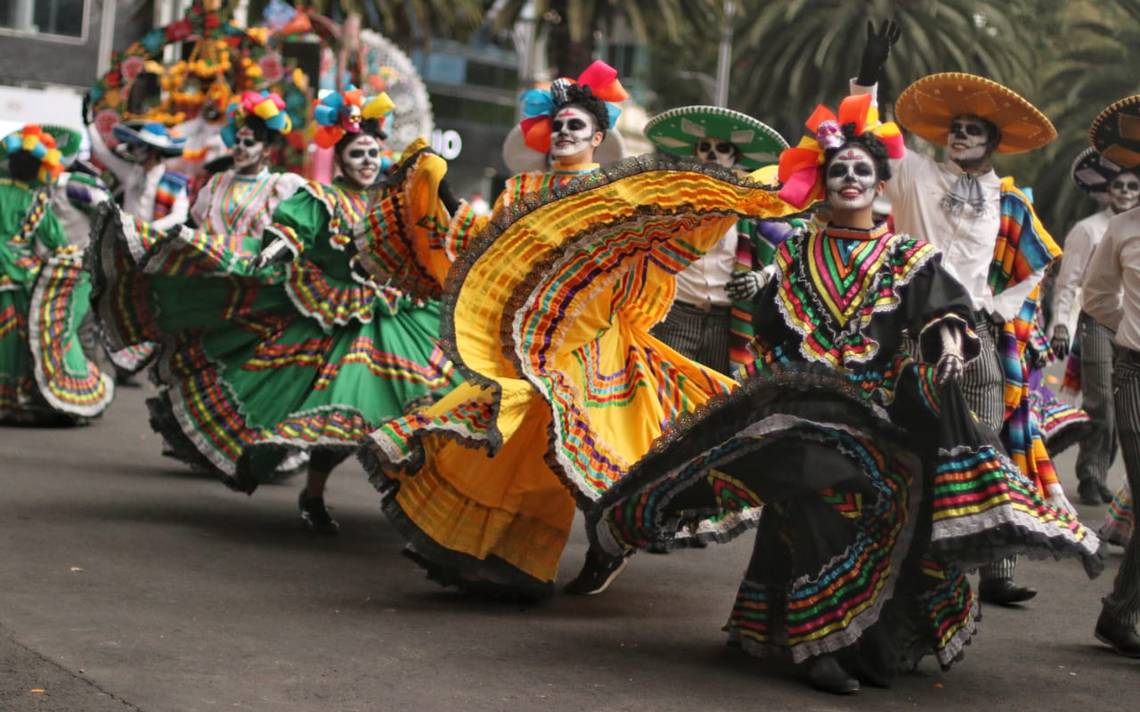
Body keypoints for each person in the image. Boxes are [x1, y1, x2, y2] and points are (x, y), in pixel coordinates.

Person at [587, 93, 1102, 694]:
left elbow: (941, 311)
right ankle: (818, 646)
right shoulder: (797, 252)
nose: (851, 178)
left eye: (862, 169)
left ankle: (852, 636)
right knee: (808, 479)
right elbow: (774, 332)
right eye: (838, 171)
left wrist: (949, 344)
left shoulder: (907, 256)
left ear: (881, 183)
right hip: (798, 409)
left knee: (879, 501)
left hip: (880, 415)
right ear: (823, 184)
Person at [357, 61, 793, 599]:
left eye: (576, 126)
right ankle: (486, 553)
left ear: (599, 137)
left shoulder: (614, 193)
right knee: (501, 435)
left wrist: (753, 190)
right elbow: (486, 249)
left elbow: (657, 244)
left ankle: (591, 552)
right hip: (524, 344)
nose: (564, 133)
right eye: (558, 125)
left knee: (580, 453)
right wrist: (439, 191)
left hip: (589, 343)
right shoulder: (522, 189)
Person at [91, 88, 460, 533]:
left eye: (372, 153)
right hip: (332, 315)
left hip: (392, 313)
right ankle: (315, 495)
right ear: (339, 160)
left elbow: (431, 234)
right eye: (357, 153)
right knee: (339, 409)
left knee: (425, 401)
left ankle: (419, 501)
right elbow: (291, 233)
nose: (366, 161)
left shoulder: (391, 202)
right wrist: (265, 257)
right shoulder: (319, 197)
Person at [853, 21, 1066, 606]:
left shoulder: (1010, 201)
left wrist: (996, 311)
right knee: (903, 441)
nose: (961, 136)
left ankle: (997, 568)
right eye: (956, 129)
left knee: (989, 441)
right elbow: (868, 136)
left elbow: (1033, 271)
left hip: (980, 334)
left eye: (973, 131)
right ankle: (896, 558)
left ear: (992, 141)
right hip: (911, 329)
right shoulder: (917, 176)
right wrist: (868, 76)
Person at [642, 105, 796, 374]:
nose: (712, 155)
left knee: (717, 400)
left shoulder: (750, 205)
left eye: (722, 149)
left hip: (727, 323)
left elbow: (796, 244)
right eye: (705, 147)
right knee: (664, 397)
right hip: (675, 316)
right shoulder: (670, 201)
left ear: (734, 159)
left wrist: (763, 277)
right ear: (695, 154)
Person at [0, 124, 114, 424]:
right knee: (29, 335)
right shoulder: (37, 201)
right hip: (21, 278)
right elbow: (59, 243)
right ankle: (19, 398)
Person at [1081, 93, 1140, 659]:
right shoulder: (1122, 229)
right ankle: (1121, 615)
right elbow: (1097, 296)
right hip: (1136, 372)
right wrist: (1132, 331)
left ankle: (1121, 612)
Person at [1051, 147, 1140, 503]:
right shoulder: (1088, 230)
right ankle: (1091, 475)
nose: (1126, 192)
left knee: (1126, 410)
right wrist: (1060, 324)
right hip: (1098, 322)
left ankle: (1115, 481)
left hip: (1132, 324)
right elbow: (1068, 283)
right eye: (1119, 186)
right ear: (1107, 189)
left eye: (1133, 186)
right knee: (1101, 401)